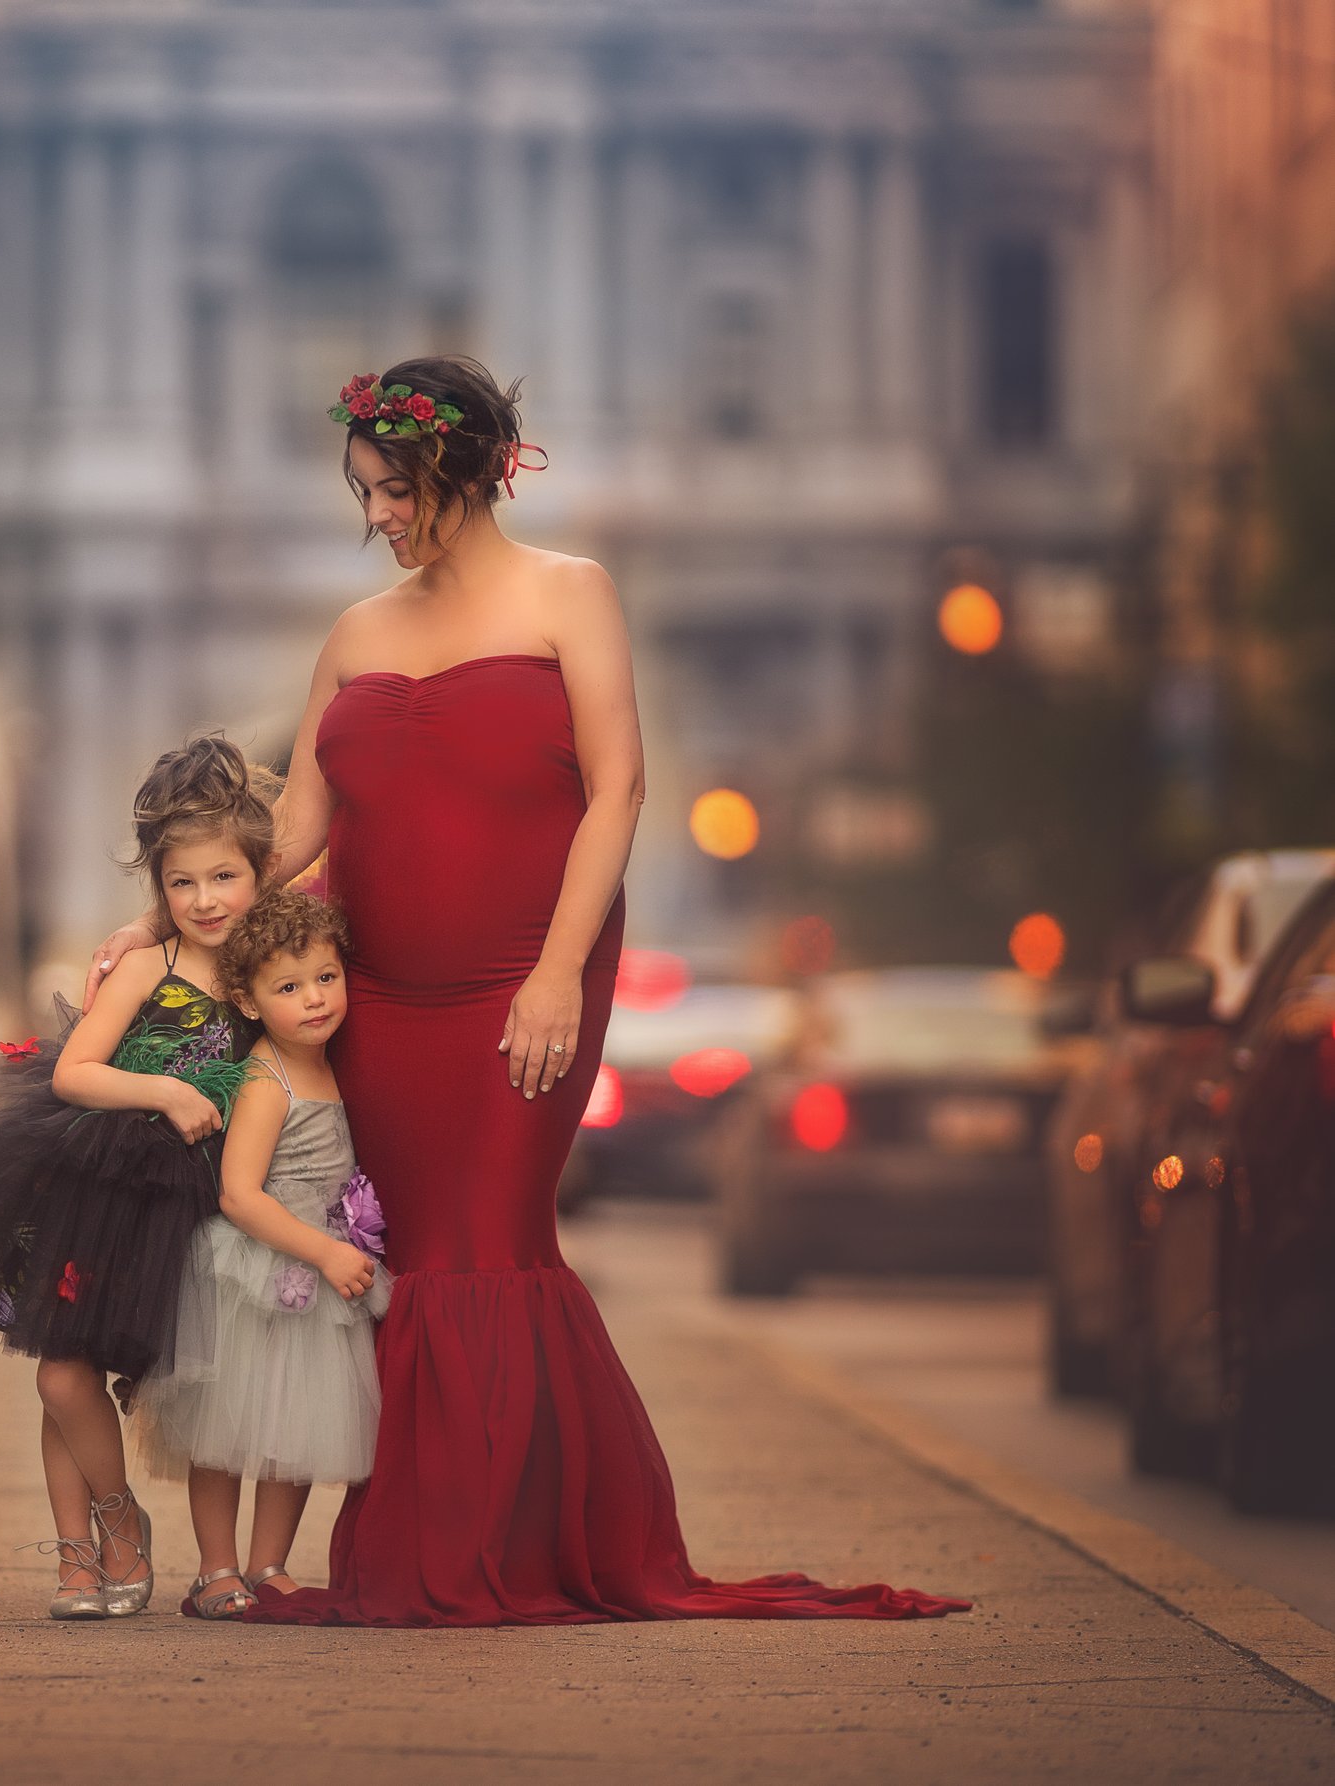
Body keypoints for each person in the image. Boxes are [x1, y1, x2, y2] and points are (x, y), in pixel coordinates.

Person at [87, 357, 966, 1627]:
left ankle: (491, 1546)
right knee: (410, 1253)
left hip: (524, 981)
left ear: (459, 472)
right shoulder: (354, 633)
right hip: (374, 996)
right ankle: (431, 1538)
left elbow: (617, 789)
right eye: (363, 492)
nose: (378, 514)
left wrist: (557, 973)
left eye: (392, 489)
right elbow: (296, 840)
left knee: (484, 1244)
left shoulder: (573, 595)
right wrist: (157, 927)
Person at [0, 735, 269, 1620]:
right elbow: (77, 1071)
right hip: (100, 1186)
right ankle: (105, 1535)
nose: (203, 900)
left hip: (204, 1208)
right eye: (181, 883)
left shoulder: (266, 973)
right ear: (158, 888)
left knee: (174, 1385)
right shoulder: (146, 968)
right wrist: (164, 1090)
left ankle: (140, 1557)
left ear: (259, 874)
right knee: (62, 1375)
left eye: (224, 878)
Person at [133, 888, 391, 1619]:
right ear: (248, 1003)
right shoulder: (265, 1079)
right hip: (254, 1270)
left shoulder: (341, 1065)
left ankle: (269, 1563)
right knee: (223, 1426)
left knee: (299, 1427)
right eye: (288, 988)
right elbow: (240, 1195)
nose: (313, 1000)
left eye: (326, 978)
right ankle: (216, 1569)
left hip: (320, 1273)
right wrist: (323, 1251)